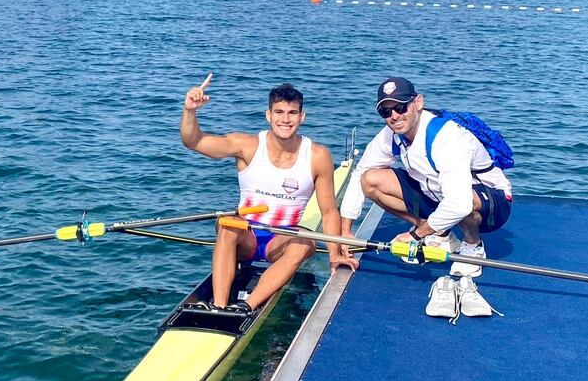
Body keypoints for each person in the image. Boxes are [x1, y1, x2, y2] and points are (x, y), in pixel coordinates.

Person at [181, 74, 358, 312]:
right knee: (228, 224)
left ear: (302, 117)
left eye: (292, 113)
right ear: (268, 115)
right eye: (279, 112)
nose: (285, 120)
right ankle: (219, 306)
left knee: (305, 241)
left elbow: (328, 211)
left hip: (282, 241)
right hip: (246, 237)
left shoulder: (317, 155)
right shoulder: (247, 145)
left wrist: (334, 254)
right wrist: (190, 111)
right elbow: (195, 142)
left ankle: (246, 307)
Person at [339, 77, 513, 318]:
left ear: (418, 102)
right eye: (385, 111)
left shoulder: (447, 138)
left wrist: (414, 235)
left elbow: (460, 202)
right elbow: (361, 172)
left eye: (401, 107)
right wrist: (345, 231)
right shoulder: (390, 135)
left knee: (464, 203)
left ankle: (472, 246)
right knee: (371, 180)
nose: (394, 116)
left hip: (490, 202)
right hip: (438, 194)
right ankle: (442, 236)